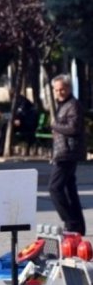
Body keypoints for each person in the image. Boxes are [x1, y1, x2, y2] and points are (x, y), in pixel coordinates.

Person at [48, 74, 87, 235]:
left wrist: (55, 126)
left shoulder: (73, 105)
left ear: (69, 88)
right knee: (70, 189)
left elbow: (73, 128)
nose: (59, 92)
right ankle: (78, 226)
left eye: (62, 89)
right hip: (63, 151)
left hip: (68, 153)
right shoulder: (63, 105)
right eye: (56, 90)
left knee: (54, 188)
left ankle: (70, 223)